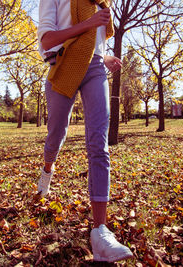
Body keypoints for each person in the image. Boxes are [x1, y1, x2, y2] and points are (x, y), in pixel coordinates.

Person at [37, 0, 133, 263]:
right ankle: (48, 168)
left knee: (98, 144)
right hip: (64, 65)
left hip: (95, 69)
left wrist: (107, 56)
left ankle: (100, 232)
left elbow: (96, 43)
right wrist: (88, 24)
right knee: (57, 133)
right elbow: (47, 40)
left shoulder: (101, 2)